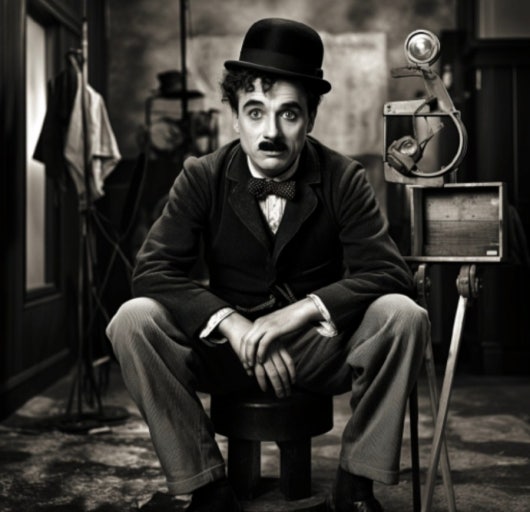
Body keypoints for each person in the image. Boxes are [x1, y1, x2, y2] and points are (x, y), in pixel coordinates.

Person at [106, 17, 429, 512]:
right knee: (132, 319)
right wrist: (233, 324)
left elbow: (389, 273)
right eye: (255, 112)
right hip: (225, 350)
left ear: (311, 118)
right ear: (235, 117)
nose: (270, 132)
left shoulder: (344, 177)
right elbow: (152, 271)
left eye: (289, 114)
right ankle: (206, 487)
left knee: (404, 314)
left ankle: (355, 483)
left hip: (316, 348)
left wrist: (298, 313)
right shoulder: (201, 176)